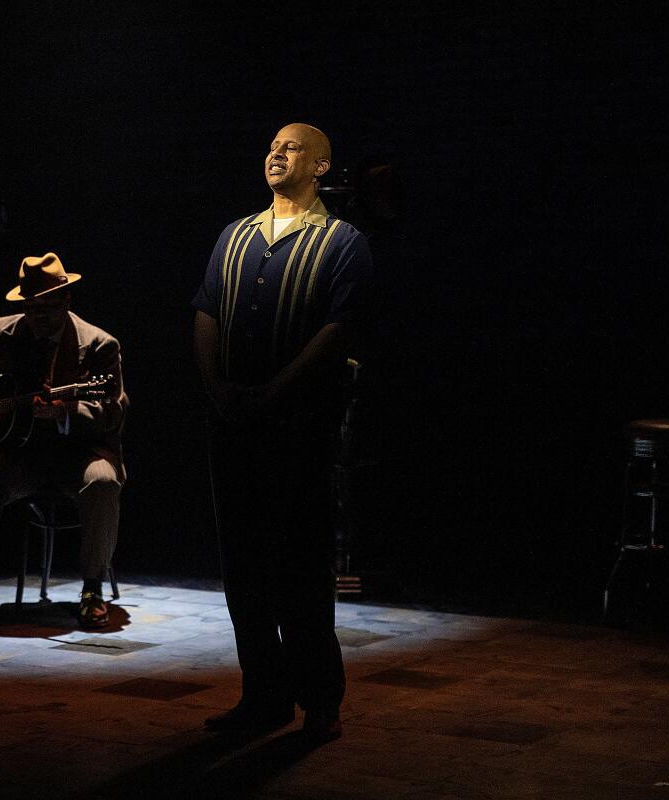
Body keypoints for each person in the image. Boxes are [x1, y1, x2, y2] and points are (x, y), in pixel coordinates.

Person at [192, 123, 374, 743]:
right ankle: (263, 696)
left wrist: (277, 390)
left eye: (292, 147)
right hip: (235, 427)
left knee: (300, 567)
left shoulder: (343, 242)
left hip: (297, 429)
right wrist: (218, 387)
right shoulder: (235, 235)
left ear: (321, 164)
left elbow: (338, 330)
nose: (275, 152)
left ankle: (321, 702)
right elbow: (207, 312)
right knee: (242, 568)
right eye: (270, 144)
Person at [0, 253, 127, 630]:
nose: (37, 316)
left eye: (46, 307)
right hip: (22, 453)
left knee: (104, 481)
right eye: (31, 307)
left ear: (66, 301)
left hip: (79, 452)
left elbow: (115, 413)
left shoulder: (99, 345)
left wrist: (64, 414)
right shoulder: (5, 331)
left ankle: (92, 589)